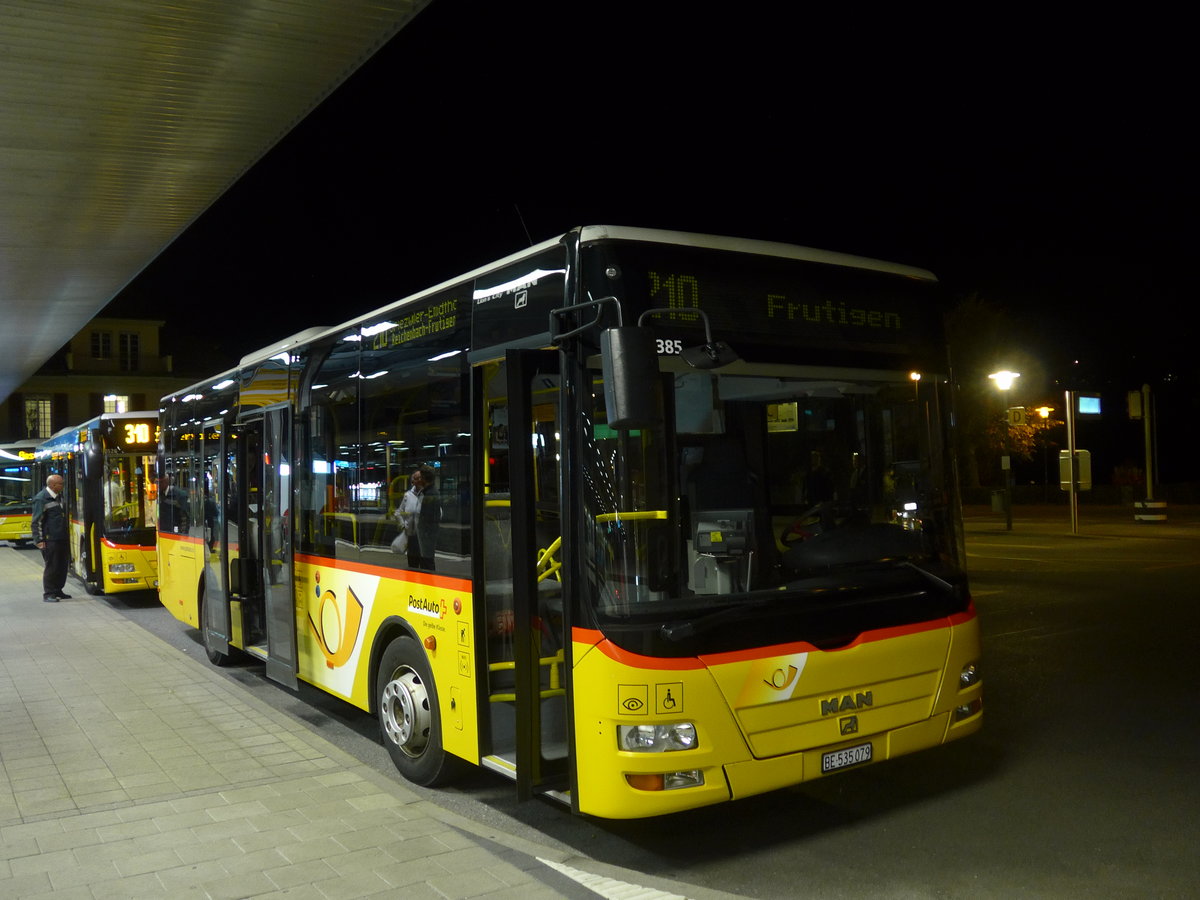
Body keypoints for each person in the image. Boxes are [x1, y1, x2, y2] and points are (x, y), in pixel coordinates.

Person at [31, 473, 70, 602]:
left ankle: (58, 590)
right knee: (52, 566)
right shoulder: (41, 499)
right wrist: (39, 540)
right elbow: (36, 522)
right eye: (61, 484)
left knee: (61, 565)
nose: (63, 486)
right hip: (50, 539)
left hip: (61, 537)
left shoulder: (58, 497)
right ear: (53, 485)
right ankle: (48, 593)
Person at [395, 465, 440, 570]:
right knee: (413, 565)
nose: (418, 480)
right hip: (414, 536)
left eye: (420, 478)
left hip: (424, 537)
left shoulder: (429, 494)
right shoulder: (410, 495)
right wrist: (403, 525)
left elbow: (435, 514)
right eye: (415, 479)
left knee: (426, 565)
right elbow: (398, 512)